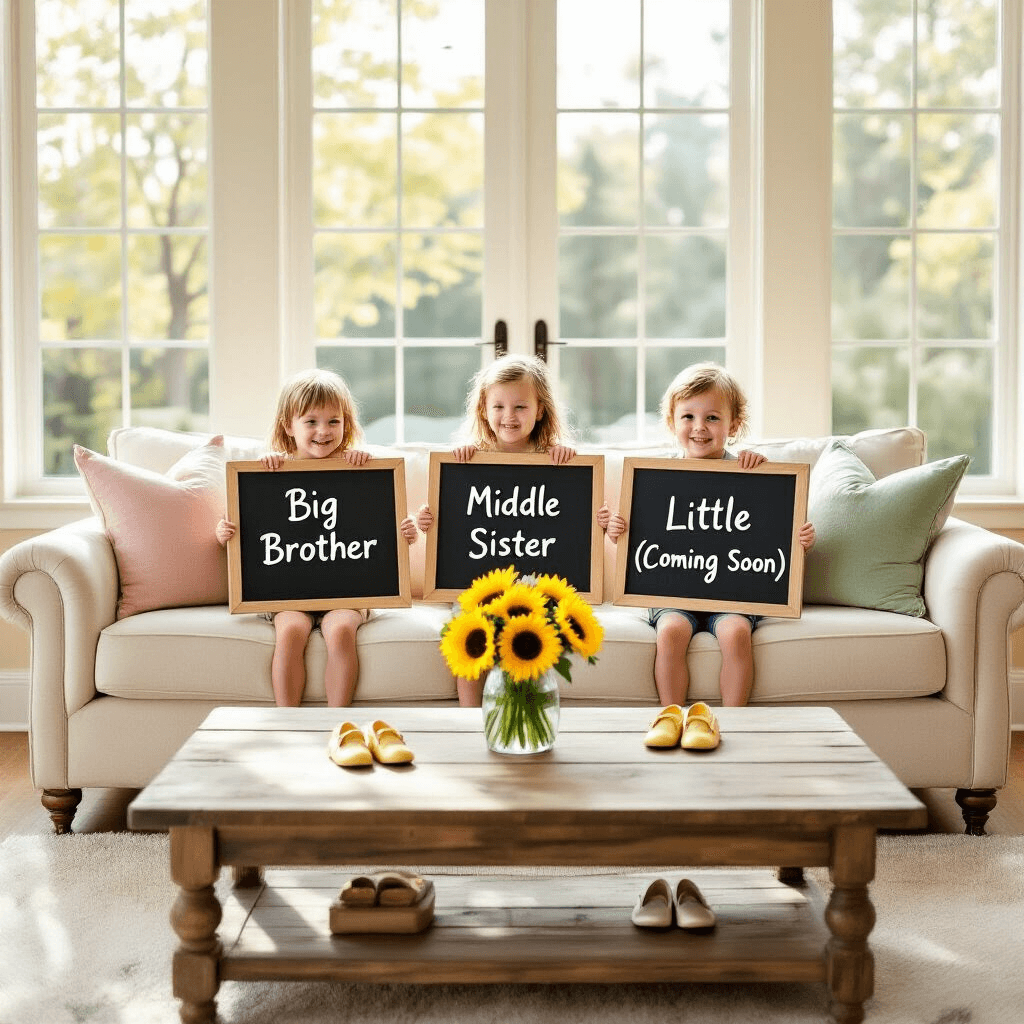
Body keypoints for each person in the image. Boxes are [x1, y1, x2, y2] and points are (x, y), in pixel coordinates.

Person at [602, 362, 815, 709]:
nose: (699, 427)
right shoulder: (656, 479)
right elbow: (637, 544)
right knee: (670, 632)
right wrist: (617, 532)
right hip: (673, 592)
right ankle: (672, 715)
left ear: (734, 425)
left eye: (712, 418)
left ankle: (734, 719)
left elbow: (772, 531)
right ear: (672, 422)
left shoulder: (749, 471)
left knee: (737, 634)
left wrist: (799, 539)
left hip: (733, 593)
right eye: (688, 417)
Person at [216, 368, 418, 708]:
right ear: (288, 426)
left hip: (348, 590)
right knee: (290, 632)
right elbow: (245, 524)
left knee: (341, 632)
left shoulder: (358, 468)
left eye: (333, 421)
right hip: (288, 591)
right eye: (311, 421)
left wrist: (404, 532)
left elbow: (379, 522)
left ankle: (337, 721)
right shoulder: (271, 470)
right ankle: (289, 719)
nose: (323, 431)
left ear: (346, 424)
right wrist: (224, 533)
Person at [415, 353, 581, 706]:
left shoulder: (555, 459)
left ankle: (521, 711)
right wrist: (431, 520)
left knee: (531, 631)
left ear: (540, 410)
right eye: (499, 406)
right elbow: (452, 523)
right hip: (475, 584)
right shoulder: (468, 460)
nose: (509, 416)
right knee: (469, 630)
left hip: (533, 583)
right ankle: (469, 716)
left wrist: (570, 463)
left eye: (521, 406)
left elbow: (575, 519)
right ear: (483, 410)